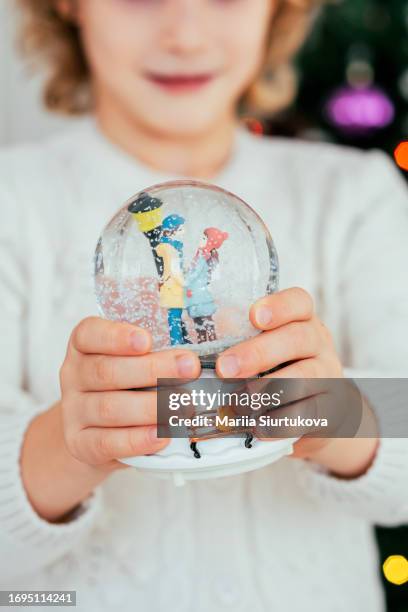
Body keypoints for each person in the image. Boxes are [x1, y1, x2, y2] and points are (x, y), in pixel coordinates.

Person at [0, 0, 407, 610]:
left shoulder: (356, 196)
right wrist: (68, 443)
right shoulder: (13, 202)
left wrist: (335, 413)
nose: (184, 34)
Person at [185, 227, 229, 343]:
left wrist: (183, 281)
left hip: (198, 292)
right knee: (201, 319)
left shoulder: (203, 256)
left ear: (210, 241)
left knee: (203, 318)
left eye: (204, 238)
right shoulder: (203, 254)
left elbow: (195, 272)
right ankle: (204, 341)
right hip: (197, 291)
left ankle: (207, 341)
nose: (201, 239)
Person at [156, 214, 186, 345]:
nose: (184, 231)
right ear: (172, 231)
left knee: (175, 315)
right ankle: (176, 343)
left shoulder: (170, 246)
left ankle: (180, 340)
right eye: (180, 229)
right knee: (174, 316)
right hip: (173, 287)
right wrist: (187, 283)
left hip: (172, 285)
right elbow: (174, 270)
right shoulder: (169, 248)